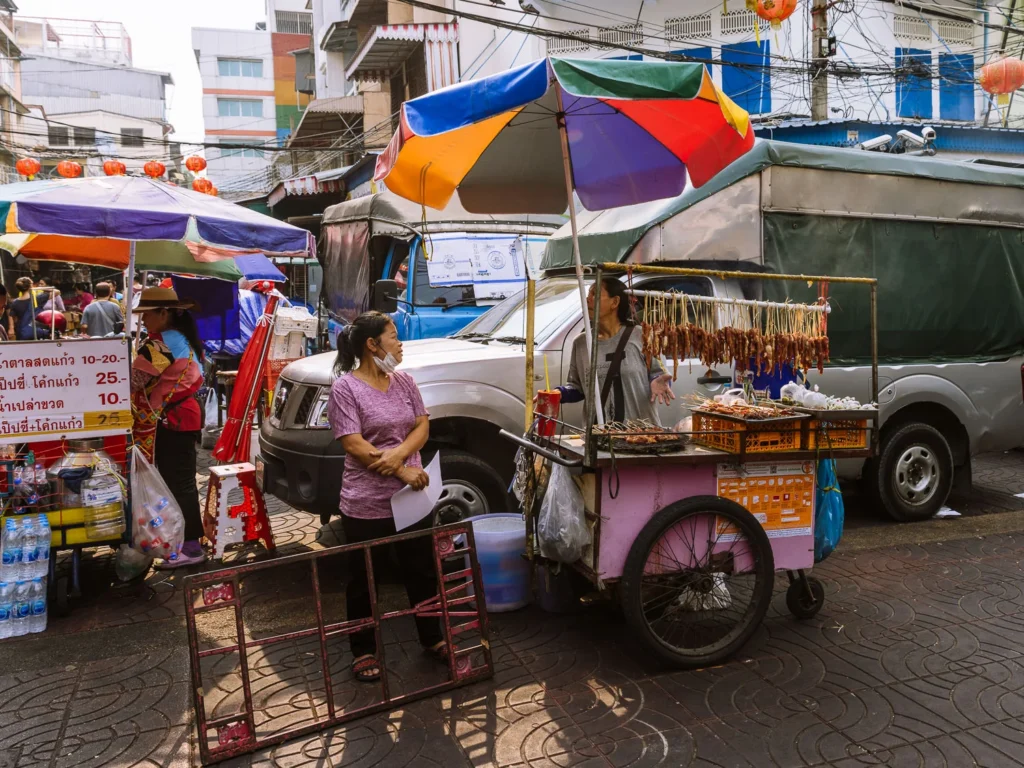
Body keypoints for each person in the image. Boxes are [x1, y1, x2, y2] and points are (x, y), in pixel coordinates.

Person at [327, 311, 444, 683]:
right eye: (393, 336)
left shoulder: (404, 380)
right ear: (372, 345)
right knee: (365, 579)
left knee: (423, 571)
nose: (399, 343)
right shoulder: (345, 388)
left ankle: (433, 638)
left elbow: (422, 424)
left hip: (412, 498)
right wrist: (400, 468)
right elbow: (353, 444)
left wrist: (399, 457)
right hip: (366, 504)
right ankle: (363, 650)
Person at [130, 288, 206, 568]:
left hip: (174, 419)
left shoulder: (161, 344)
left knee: (179, 483)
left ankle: (191, 547)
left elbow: (134, 380)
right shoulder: (180, 338)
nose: (144, 320)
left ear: (164, 313)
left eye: (147, 314)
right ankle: (185, 541)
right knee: (179, 481)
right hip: (182, 416)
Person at [554, 277, 676, 425]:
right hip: (599, 439)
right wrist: (558, 394)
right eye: (588, 295)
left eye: (595, 295)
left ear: (615, 302)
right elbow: (578, 388)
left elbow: (660, 375)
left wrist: (657, 380)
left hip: (641, 436)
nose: (588, 300)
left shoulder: (642, 336)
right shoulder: (581, 344)